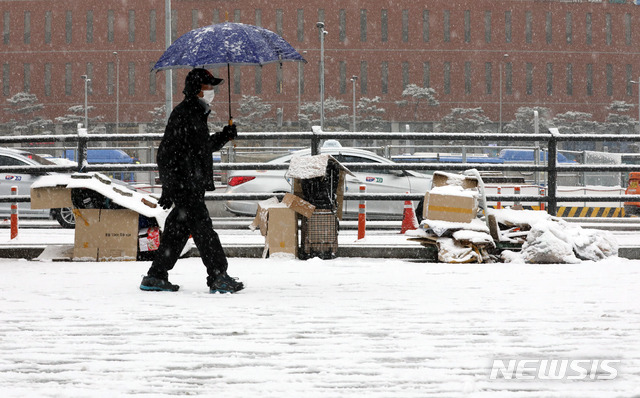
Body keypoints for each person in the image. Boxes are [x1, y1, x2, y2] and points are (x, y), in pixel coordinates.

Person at [140, 68, 244, 294]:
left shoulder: (195, 113)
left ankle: (156, 276)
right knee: (204, 231)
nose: (212, 92)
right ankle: (218, 276)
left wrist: (225, 135)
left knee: (177, 230)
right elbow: (166, 153)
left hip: (189, 184)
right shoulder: (185, 113)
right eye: (208, 87)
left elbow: (200, 148)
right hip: (186, 185)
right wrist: (169, 187)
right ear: (197, 89)